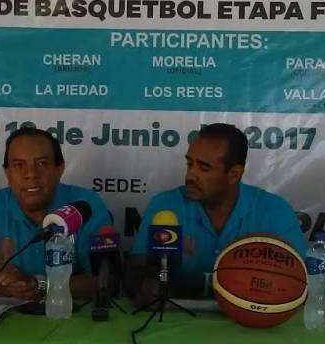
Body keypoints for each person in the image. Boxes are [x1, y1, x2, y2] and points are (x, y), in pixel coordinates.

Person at [126, 123, 306, 303]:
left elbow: (297, 282)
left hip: (250, 317)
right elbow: (135, 274)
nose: (190, 175)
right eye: (189, 164)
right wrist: (145, 285)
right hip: (176, 316)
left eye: (204, 168)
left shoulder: (275, 212)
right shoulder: (165, 205)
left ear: (234, 174)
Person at [0, 127, 111, 301]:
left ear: (59, 169)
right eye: (18, 165)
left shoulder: (85, 205)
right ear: (7, 173)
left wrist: (37, 285)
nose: (31, 174)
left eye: (42, 163)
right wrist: (2, 286)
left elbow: (107, 281)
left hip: (66, 319)